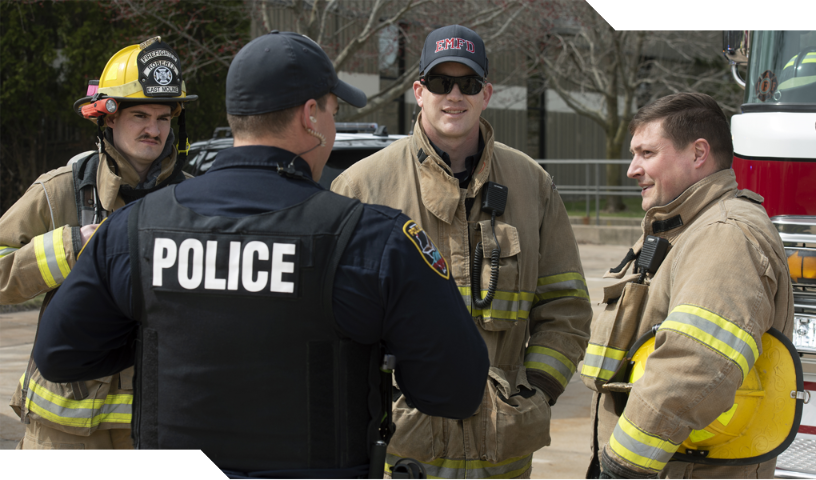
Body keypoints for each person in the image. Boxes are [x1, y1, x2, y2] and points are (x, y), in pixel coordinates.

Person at [32, 30, 489, 478]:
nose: (331, 126)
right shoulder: (374, 239)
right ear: (311, 116)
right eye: (332, 111)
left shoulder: (135, 227)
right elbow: (456, 391)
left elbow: (60, 355)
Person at [331, 25, 593, 480]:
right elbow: (334, 326)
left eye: (468, 84)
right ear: (419, 91)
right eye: (440, 83)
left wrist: (536, 392)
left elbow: (566, 308)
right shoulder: (360, 187)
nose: (454, 95)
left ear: (486, 93)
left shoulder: (532, 185)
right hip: (405, 452)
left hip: (505, 455)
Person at [582, 92, 794, 480]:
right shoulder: (681, 228)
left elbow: (694, 364)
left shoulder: (724, 235)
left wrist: (622, 466)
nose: (632, 169)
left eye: (647, 153)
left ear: (699, 154)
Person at [0, 36, 196, 450]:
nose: (154, 129)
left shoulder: (197, 200)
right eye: (139, 114)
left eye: (163, 117)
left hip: (159, 420)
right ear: (107, 117)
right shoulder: (60, 192)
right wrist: (70, 248)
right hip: (63, 427)